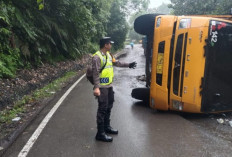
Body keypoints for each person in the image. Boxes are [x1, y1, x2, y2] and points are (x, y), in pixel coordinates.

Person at [92, 37, 137, 142]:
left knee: (109, 106)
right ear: (105, 45)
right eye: (109, 44)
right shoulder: (97, 57)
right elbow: (95, 73)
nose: (111, 45)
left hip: (109, 86)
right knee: (102, 108)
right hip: (102, 87)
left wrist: (129, 65)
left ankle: (107, 127)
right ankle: (100, 133)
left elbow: (117, 63)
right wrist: (97, 88)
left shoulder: (108, 55)